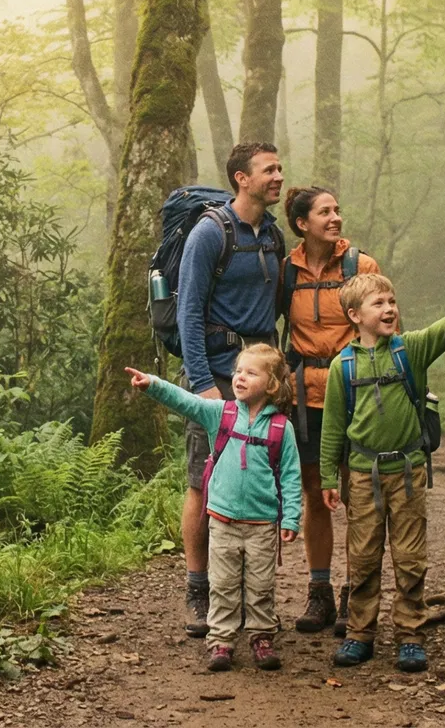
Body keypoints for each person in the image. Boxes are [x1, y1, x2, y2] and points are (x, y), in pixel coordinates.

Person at [319, 273, 445, 673]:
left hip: (407, 471)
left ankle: (411, 635)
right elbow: (332, 427)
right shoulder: (341, 367)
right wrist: (327, 477)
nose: (390, 309)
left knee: (410, 557)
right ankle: (360, 634)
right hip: (362, 476)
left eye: (392, 301)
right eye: (379, 303)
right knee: (362, 557)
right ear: (355, 315)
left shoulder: (410, 349)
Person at [127, 345, 302, 672]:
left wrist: (290, 516)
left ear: (273, 384)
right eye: (238, 371)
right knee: (221, 583)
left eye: (251, 373)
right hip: (221, 520)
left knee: (260, 585)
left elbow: (291, 475)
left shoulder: (281, 428)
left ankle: (261, 636)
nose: (240, 377)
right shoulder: (220, 414)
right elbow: (186, 401)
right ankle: (221, 640)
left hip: (262, 524)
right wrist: (153, 383)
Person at [175, 141, 286, 637]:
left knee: (257, 478)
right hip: (219, 378)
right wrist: (203, 384)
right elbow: (188, 312)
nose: (279, 176)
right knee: (204, 481)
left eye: (279, 168)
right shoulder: (209, 233)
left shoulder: (273, 236)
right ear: (242, 178)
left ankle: (246, 595)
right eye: (269, 170)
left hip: (263, 377)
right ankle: (199, 591)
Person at [277, 187, 379, 634]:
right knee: (315, 493)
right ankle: (319, 594)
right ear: (303, 223)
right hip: (305, 398)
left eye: (337, 209)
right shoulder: (287, 272)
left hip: (354, 392)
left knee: (358, 492)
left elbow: (385, 324)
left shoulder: (361, 266)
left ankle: (356, 594)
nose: (335, 217)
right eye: (325, 212)